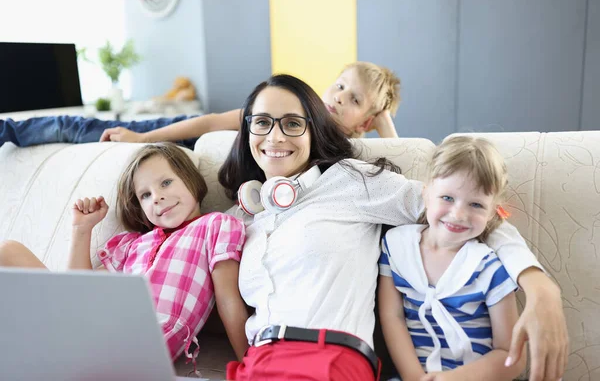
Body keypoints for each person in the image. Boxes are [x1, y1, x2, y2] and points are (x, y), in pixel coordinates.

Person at [216, 74, 567, 381]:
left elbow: (458, 211)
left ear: (314, 129)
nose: (275, 137)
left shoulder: (349, 181)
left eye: (292, 123)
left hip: (331, 358)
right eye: (261, 122)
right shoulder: (237, 219)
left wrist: (538, 284)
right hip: (258, 363)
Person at [0, 143, 248, 363]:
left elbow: (228, 299)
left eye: (166, 182)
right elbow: (77, 292)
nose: (158, 197)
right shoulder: (132, 245)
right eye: (145, 195)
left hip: (141, 340)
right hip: (96, 328)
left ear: (190, 179)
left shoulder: (216, 225)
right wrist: (81, 229)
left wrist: (248, 365)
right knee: (8, 251)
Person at [378, 136, 526, 381]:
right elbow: (391, 316)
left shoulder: (490, 267)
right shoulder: (395, 247)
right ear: (426, 195)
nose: (458, 214)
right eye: (447, 198)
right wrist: (414, 376)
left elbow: (511, 355)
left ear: (492, 213)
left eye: (476, 204)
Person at [0, 62, 401, 150]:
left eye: (354, 100)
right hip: (185, 130)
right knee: (79, 128)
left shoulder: (351, 147)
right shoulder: (299, 107)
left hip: (195, 147)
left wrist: (383, 121)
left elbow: (403, 155)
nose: (338, 98)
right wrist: (141, 135)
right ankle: (8, 131)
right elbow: (210, 121)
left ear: (365, 120)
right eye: (340, 86)